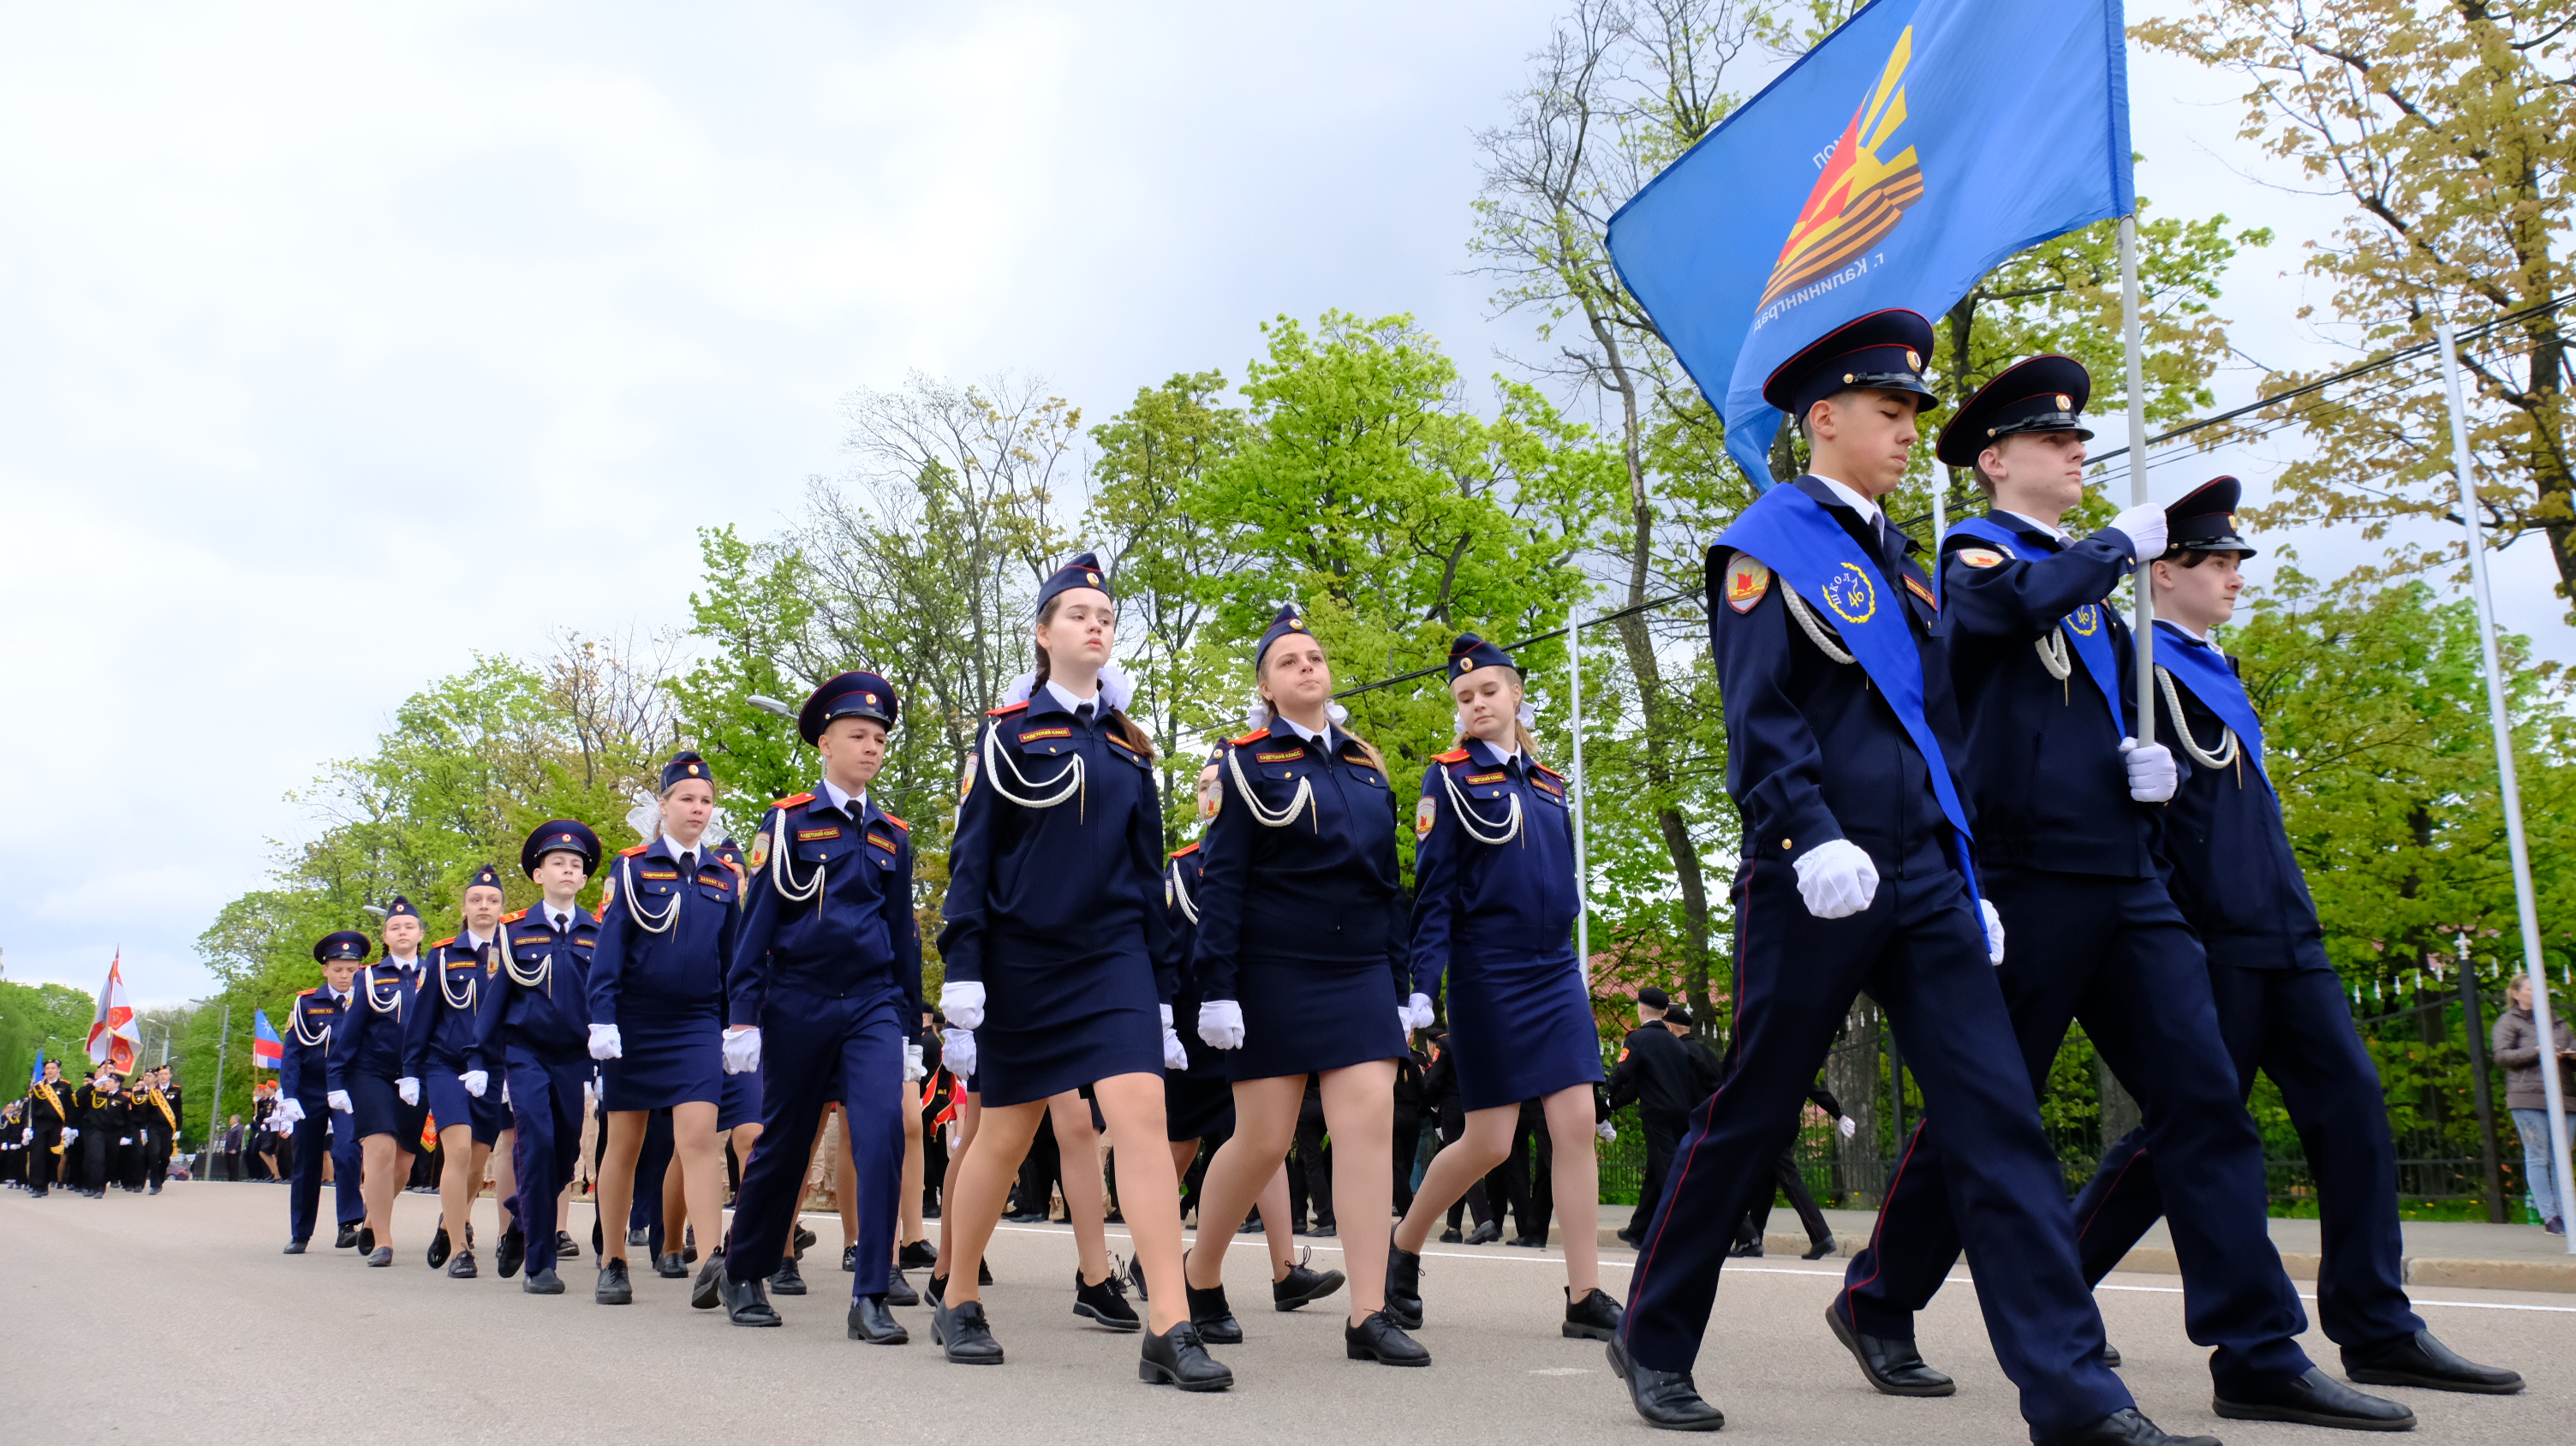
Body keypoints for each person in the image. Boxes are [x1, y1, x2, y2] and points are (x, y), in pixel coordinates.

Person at [1610, 309, 2193, 1445]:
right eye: (1888, 410)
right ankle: (1655, 1334)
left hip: (1924, 874)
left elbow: (1938, 735)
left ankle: (2077, 1398)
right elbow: (1759, 713)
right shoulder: (1766, 545)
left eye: (1911, 413)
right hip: (1816, 870)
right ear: (1822, 418)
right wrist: (1806, 830)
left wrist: (1964, 873)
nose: (1906, 429)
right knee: (1752, 1112)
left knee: (1998, 1119)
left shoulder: (1906, 566)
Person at [1830, 367, 2408, 1429]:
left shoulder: (2095, 594)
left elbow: (2089, 709)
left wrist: (2145, 771)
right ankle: (1877, 1293)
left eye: (2078, 441)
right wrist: (2111, 548)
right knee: (1986, 1112)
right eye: (2051, 441)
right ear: (1995, 460)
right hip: (2028, 878)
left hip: (2125, 878)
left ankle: (2254, 1347)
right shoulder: (1974, 553)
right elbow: (2002, 613)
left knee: (2204, 1102)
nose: (2075, 452)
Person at [2071, 483, 2524, 1396]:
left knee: (2352, 1111)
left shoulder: (2215, 667)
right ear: (2162, 573)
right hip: (2208, 936)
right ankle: (2049, 1283)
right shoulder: (2131, 668)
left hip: (2284, 929)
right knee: (2183, 1135)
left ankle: (2376, 1324)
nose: (2235, 575)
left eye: (2235, 560)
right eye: (2216, 561)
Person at [934, 553, 1225, 1388]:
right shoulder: (1006, 734)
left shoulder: (1130, 747)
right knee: (1004, 1134)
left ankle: (1168, 1321)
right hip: (1023, 961)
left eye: (1105, 617)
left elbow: (1146, 876)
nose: (1095, 625)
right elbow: (972, 860)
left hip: (1114, 960)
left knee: (1140, 1117)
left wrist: (1161, 992)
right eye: (1077, 614)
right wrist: (963, 966)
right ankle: (958, 1293)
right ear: (1043, 632)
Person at [1183, 605, 1428, 1368]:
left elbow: (1388, 885)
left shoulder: (1365, 765)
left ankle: (1368, 1312)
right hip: (1274, 969)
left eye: (1315, 657)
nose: (1307, 667)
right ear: (1266, 686)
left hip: (1358, 971)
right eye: (1288, 661)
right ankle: (1199, 1273)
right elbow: (1222, 883)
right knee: (1263, 1140)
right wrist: (1217, 987)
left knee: (1366, 1128)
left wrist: (1400, 983)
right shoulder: (1245, 763)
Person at [1387, 633, 1618, 1341]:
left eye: (1488, 691)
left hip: (1554, 970)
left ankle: (1585, 1294)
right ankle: (1404, 1245)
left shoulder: (1550, 783)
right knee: (1490, 1140)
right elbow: (1434, 894)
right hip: (1488, 971)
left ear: (1516, 694)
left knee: (1575, 1124)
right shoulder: (1448, 779)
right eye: (1464, 697)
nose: (1477, 704)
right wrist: (1423, 986)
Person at [704, 672, 921, 1346]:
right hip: (798, 997)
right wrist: (742, 1014)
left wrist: (910, 1026)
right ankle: (744, 1270)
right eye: (858, 735)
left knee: (882, 1133)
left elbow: (902, 935)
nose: (871, 747)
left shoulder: (892, 834)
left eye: (879, 737)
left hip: (872, 1002)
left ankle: (871, 1293)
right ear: (825, 744)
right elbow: (758, 921)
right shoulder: (789, 822)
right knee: (786, 1141)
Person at [587, 750, 743, 1308]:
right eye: (687, 799)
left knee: (698, 1138)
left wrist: (737, 1024)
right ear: (664, 805)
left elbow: (732, 962)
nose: (698, 808)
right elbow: (609, 951)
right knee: (624, 1145)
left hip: (697, 1022)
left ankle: (712, 1264)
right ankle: (613, 1259)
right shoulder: (632, 869)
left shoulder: (723, 877)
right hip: (635, 1021)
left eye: (706, 801)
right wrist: (602, 1018)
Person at [470, 820, 605, 1295]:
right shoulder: (512, 933)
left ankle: (520, 1217)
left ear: (584, 879)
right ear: (538, 875)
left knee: (566, 1154)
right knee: (537, 1143)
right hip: (526, 1054)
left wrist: (605, 1063)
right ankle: (539, 1263)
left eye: (575, 865)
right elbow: (494, 1002)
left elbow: (606, 999)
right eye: (557, 863)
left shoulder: (597, 932)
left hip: (575, 1059)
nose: (567, 870)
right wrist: (480, 1061)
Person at [408, 869, 517, 1277]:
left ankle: (448, 1222)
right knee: (456, 1152)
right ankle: (460, 1249)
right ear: (464, 908)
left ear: (502, 908)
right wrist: (411, 1071)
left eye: (492, 900)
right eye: (476, 900)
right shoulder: (442, 956)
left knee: (476, 1164)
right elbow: (422, 1018)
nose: (484, 906)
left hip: (493, 1069)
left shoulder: (513, 952)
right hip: (447, 1066)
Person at [331, 897, 430, 1267]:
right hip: (371, 1072)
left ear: (420, 934)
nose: (402, 932)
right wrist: (336, 1079)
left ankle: (373, 1217)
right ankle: (384, 1241)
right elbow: (350, 1033)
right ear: (386, 937)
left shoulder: (435, 972)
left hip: (417, 1075)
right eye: (394, 928)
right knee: (381, 1151)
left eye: (409, 926)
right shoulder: (368, 977)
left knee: (403, 1163)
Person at [1605, 988, 1715, 1246]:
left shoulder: (1638, 1039)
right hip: (1681, 1114)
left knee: (1669, 1174)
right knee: (1655, 1174)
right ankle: (1639, 1230)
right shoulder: (1675, 1042)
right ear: (1665, 1012)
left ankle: (1690, 1233)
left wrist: (1603, 1097)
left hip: (1657, 1115)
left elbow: (1623, 1074)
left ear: (1641, 1009)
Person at [280, 934, 367, 1252]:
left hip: (347, 1088)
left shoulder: (368, 1000)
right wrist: (289, 1094)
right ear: (325, 970)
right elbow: (292, 1054)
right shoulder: (307, 1003)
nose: (345, 976)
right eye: (338, 969)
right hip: (311, 1090)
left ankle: (348, 1223)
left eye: (351, 970)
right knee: (306, 1160)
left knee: (347, 1151)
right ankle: (300, 1232)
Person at [2495, 972, 2575, 1232]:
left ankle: (2568, 1213)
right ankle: (2550, 1216)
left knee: (2562, 1157)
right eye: (2530, 988)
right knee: (2538, 1155)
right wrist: (2536, 1051)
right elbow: (2502, 1056)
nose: (2538, 992)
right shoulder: (2509, 1021)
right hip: (2528, 1096)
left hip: (2564, 1096)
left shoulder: (2558, 1022)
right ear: (2516, 993)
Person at [22, 1059, 71, 1198]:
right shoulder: (38, 1087)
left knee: (52, 1156)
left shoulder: (65, 1086)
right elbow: (31, 1108)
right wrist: (28, 1127)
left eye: (53, 1068)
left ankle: (47, 1181)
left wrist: (69, 1126)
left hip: (56, 1126)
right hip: (40, 1125)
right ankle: (38, 1186)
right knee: (37, 1155)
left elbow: (69, 1108)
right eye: (48, 1068)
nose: (50, 1071)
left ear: (58, 1070)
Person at [135, 1067, 180, 1193]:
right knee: (154, 1153)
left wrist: (178, 1129)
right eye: (161, 1074)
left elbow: (178, 1111)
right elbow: (146, 1112)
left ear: (170, 1075)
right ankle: (155, 1184)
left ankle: (160, 1177)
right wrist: (143, 1129)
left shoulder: (176, 1091)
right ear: (158, 1077)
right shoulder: (153, 1091)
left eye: (166, 1074)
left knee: (165, 1156)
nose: (163, 1076)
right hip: (154, 1127)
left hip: (168, 1127)